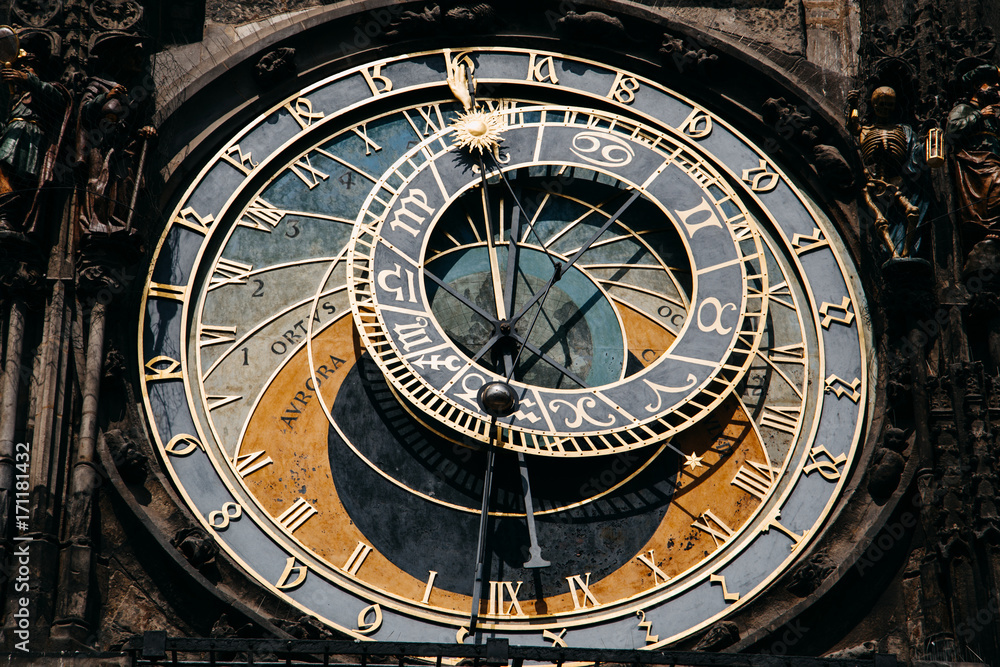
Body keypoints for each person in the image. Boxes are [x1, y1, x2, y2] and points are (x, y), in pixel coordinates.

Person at [0, 40, 69, 238]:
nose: (21, 71)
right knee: (7, 175)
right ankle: (6, 213)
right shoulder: (15, 97)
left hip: (29, 135)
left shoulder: (44, 88)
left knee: (12, 174)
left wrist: (27, 79)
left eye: (26, 67)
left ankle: (9, 213)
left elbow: (59, 101)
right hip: (13, 134)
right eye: (19, 68)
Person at [946, 63, 1000, 249]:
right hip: (976, 166)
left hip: (992, 161)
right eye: (990, 83)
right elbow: (951, 131)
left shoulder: (994, 115)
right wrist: (979, 115)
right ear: (978, 86)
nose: (996, 87)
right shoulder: (964, 109)